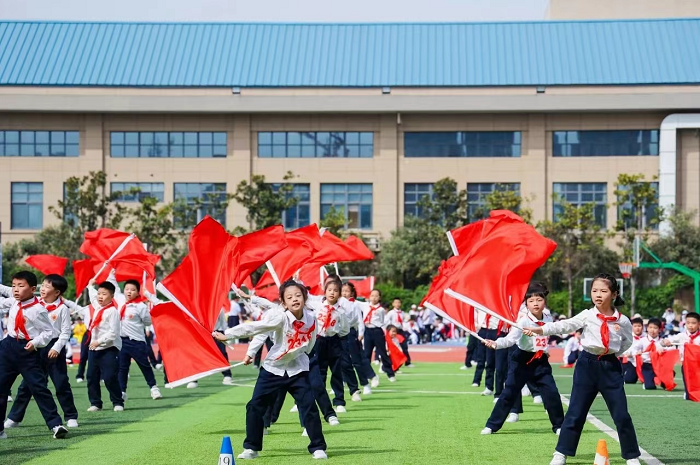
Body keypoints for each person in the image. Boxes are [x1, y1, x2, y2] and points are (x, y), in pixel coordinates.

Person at [525, 273, 641, 465]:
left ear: (614, 294)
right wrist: (541, 329)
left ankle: (631, 456)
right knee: (576, 412)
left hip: (610, 368)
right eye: (594, 290)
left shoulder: (623, 321)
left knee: (621, 414)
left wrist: (611, 354)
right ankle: (561, 453)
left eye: (603, 291)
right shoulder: (587, 315)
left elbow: (627, 342)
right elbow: (564, 326)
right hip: (586, 365)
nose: (598, 295)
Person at [215, 280, 328, 460]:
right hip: (273, 369)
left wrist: (302, 356)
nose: (295, 299)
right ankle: (251, 447)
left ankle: (318, 447)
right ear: (284, 302)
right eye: (289, 297)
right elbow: (256, 327)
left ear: (304, 298)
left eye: (298, 295)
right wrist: (228, 335)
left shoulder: (311, 319)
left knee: (309, 406)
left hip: (298, 369)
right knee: (255, 405)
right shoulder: (280, 317)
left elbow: (311, 342)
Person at [480, 282, 564, 436]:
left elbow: (546, 336)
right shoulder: (523, 321)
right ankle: (492, 425)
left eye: (539, 300)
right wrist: (496, 344)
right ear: (526, 304)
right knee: (509, 392)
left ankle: (559, 426)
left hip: (540, 360)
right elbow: (510, 339)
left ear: (545, 301)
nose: (535, 304)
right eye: (531, 301)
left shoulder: (548, 318)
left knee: (552, 393)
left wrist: (543, 346)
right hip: (521, 360)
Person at [4, 274, 79, 430]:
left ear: (57, 292)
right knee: (27, 386)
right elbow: (8, 290)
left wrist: (56, 348)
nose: (43, 289)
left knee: (60, 383)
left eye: (47, 287)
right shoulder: (33, 302)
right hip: (34, 347)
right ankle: (14, 417)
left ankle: (70, 416)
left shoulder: (62, 309)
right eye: (42, 285)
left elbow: (65, 332)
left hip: (53, 348)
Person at [108, 278, 163, 401]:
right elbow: (114, 288)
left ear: (138, 292)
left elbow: (147, 321)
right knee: (122, 368)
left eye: (132, 290)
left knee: (144, 365)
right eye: (127, 289)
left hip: (136, 341)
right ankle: (122, 391)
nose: (129, 292)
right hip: (121, 341)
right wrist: (111, 275)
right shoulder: (120, 299)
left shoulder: (140, 306)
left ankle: (154, 388)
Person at [84, 280, 125, 412]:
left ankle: (117, 402)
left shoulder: (112, 311)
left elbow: (113, 333)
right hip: (94, 348)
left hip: (109, 348)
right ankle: (96, 403)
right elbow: (92, 296)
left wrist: (99, 341)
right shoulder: (97, 306)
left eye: (104, 294)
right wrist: (90, 285)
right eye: (99, 293)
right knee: (91, 376)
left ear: (112, 296)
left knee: (109, 377)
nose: (100, 296)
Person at [341, 282, 374, 396]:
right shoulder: (336, 305)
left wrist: (360, 334)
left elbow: (360, 321)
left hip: (351, 333)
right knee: (342, 361)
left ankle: (365, 384)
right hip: (339, 334)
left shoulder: (354, 305)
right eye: (342, 291)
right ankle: (342, 383)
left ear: (352, 293)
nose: (344, 293)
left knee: (357, 361)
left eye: (347, 291)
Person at [357, 289, 394, 385]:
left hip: (377, 331)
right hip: (367, 331)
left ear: (379, 298)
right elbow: (354, 302)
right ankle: (368, 374)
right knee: (367, 354)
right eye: (372, 295)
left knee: (382, 352)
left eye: (376, 296)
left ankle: (390, 374)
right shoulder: (365, 305)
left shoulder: (381, 310)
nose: (374, 298)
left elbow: (381, 321)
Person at [663, 312, 700, 400]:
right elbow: (667, 340)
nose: (690, 325)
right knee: (688, 390)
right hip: (686, 365)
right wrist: (666, 342)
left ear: (699, 324)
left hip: (698, 364)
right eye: (688, 323)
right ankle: (688, 393)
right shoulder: (681, 336)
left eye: (693, 323)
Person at [630, 318, 668, 390]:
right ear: (647, 328)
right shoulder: (643, 340)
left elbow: (670, 349)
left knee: (668, 380)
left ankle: (663, 382)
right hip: (647, 365)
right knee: (650, 387)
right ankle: (648, 382)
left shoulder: (662, 341)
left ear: (660, 330)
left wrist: (663, 351)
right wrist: (637, 352)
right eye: (650, 327)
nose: (652, 330)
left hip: (659, 365)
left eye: (655, 328)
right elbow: (634, 349)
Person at [386, 298, 413, 367]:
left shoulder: (402, 313)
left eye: (399, 302)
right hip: (393, 331)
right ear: (393, 304)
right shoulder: (391, 313)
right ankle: (391, 362)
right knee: (393, 347)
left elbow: (405, 320)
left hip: (400, 330)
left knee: (404, 346)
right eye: (396, 302)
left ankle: (407, 362)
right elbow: (387, 322)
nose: (397, 304)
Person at [620, 317, 644, 384]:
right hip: (631, 362)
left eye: (639, 326)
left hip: (643, 362)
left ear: (642, 327)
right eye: (635, 326)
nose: (637, 328)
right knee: (629, 380)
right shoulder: (628, 337)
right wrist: (629, 354)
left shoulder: (646, 337)